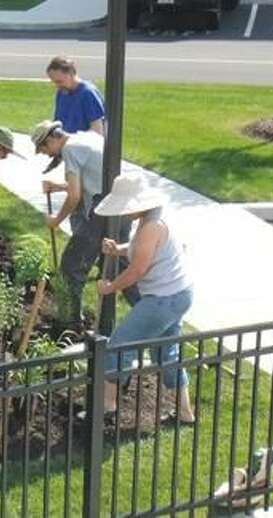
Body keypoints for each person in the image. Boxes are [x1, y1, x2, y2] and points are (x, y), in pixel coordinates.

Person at [94, 172, 195, 423]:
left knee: (119, 344)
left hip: (164, 299)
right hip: (177, 294)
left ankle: (108, 408)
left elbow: (138, 269)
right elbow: (144, 250)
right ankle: (185, 413)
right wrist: (118, 249)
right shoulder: (151, 219)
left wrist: (110, 287)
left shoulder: (151, 226)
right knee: (166, 352)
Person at [32, 119, 139, 327]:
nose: (46, 154)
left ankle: (70, 324)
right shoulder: (87, 138)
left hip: (105, 206)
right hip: (122, 203)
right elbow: (89, 180)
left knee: (71, 267)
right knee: (118, 265)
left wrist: (56, 220)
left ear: (52, 139)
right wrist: (58, 187)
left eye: (43, 148)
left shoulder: (70, 149)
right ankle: (152, 313)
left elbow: (75, 196)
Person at [47, 56, 106, 135]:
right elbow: (58, 124)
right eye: (54, 82)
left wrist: (73, 140)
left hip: (83, 145)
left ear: (71, 74)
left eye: (59, 82)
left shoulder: (88, 94)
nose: (57, 86)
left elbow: (98, 131)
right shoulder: (61, 92)